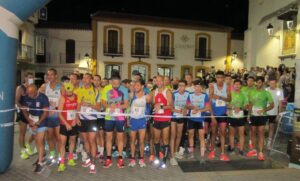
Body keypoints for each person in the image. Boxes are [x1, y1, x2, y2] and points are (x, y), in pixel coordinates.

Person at [102, 75, 129, 169]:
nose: (116, 85)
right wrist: (110, 105)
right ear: (111, 82)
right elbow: (103, 103)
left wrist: (117, 106)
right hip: (109, 117)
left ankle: (120, 158)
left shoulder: (124, 90)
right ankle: (108, 158)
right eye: (114, 83)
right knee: (108, 137)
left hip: (120, 118)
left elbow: (126, 104)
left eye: (118, 83)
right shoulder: (106, 89)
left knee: (120, 138)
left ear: (120, 82)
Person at [76, 73, 101, 173]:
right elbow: (77, 105)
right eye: (84, 78)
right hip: (82, 119)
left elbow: (99, 107)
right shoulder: (79, 91)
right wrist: (76, 117)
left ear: (91, 80)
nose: (85, 79)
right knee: (85, 141)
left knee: (92, 141)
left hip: (92, 119)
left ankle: (93, 163)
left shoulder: (96, 91)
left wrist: (89, 104)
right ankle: (88, 159)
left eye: (87, 78)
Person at [21, 84, 49, 173]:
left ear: (36, 91)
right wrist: (29, 120)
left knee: (39, 141)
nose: (29, 95)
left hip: (41, 121)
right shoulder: (26, 97)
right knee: (36, 140)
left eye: (31, 93)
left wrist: (38, 123)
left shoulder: (43, 98)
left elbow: (45, 113)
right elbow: (24, 110)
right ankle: (42, 156)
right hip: (32, 120)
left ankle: (40, 164)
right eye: (27, 93)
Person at [247, 76, 274, 161]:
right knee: (253, 133)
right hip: (253, 116)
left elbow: (272, 105)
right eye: (257, 82)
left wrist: (263, 110)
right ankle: (254, 150)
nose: (258, 84)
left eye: (259, 82)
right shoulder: (251, 92)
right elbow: (250, 104)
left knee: (261, 133)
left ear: (262, 83)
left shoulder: (266, 93)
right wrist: (248, 114)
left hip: (262, 116)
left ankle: (261, 152)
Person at [39, 68, 62, 163]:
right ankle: (52, 155)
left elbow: (64, 101)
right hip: (48, 115)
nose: (50, 76)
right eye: (48, 75)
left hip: (58, 115)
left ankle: (60, 156)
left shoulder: (61, 86)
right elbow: (38, 98)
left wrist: (56, 108)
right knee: (50, 136)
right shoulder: (44, 86)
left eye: (52, 74)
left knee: (58, 137)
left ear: (56, 75)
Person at [128, 79, 152, 168]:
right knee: (132, 141)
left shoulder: (147, 96)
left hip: (142, 120)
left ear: (142, 86)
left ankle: (141, 159)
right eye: (135, 85)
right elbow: (127, 106)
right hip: (133, 120)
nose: (136, 87)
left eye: (138, 85)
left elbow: (151, 104)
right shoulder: (131, 95)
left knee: (141, 141)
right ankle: (132, 159)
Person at [208, 70, 231, 161]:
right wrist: (212, 115)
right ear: (216, 78)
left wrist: (220, 97)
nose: (220, 79)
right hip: (214, 112)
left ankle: (222, 153)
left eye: (221, 78)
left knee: (223, 133)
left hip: (223, 113)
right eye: (218, 78)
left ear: (224, 78)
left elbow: (229, 99)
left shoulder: (227, 86)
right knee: (213, 133)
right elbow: (209, 102)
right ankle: (212, 151)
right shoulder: (212, 86)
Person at [187, 80, 210, 164]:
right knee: (191, 135)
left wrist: (199, 110)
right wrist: (192, 107)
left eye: (200, 86)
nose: (198, 88)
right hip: (191, 119)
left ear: (202, 88)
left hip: (201, 119)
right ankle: (191, 153)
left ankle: (202, 156)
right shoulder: (190, 95)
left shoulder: (205, 95)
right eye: (196, 86)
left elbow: (208, 108)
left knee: (201, 137)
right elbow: (188, 105)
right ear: (194, 87)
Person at [152, 75, 173, 168]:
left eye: (161, 81)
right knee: (156, 139)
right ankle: (157, 157)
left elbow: (171, 106)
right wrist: (155, 106)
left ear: (164, 82)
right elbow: (153, 103)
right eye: (158, 81)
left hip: (165, 118)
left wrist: (161, 106)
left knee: (165, 140)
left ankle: (164, 159)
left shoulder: (167, 92)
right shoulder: (154, 92)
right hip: (156, 118)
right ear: (155, 82)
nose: (159, 82)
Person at [57, 82, 78, 172]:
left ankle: (70, 158)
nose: (68, 93)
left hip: (73, 123)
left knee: (73, 140)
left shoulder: (76, 96)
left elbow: (76, 109)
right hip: (64, 123)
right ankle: (61, 163)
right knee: (63, 143)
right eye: (67, 91)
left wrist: (75, 120)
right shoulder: (62, 98)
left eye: (70, 91)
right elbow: (59, 113)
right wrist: (66, 123)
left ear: (73, 89)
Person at [15, 72, 35, 159]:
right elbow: (16, 101)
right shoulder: (20, 88)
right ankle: (22, 150)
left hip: (31, 113)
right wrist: (21, 108)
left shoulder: (33, 87)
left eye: (32, 78)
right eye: (29, 77)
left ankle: (28, 145)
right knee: (22, 133)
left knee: (35, 132)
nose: (30, 79)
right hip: (22, 113)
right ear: (25, 78)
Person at [170, 80, 189, 166]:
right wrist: (180, 110)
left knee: (179, 135)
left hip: (182, 117)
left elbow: (188, 105)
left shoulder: (188, 94)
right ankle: (172, 156)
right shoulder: (174, 94)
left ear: (185, 86)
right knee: (173, 135)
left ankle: (175, 151)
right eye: (180, 86)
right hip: (174, 116)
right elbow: (171, 107)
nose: (181, 87)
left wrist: (185, 109)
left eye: (183, 86)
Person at [227, 79, 248, 156]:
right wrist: (232, 107)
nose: (237, 86)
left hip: (241, 116)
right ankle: (232, 148)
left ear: (241, 86)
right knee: (231, 134)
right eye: (235, 84)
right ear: (233, 85)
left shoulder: (244, 94)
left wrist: (240, 108)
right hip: (231, 116)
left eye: (239, 84)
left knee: (241, 134)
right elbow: (227, 104)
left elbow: (246, 105)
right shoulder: (230, 94)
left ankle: (241, 149)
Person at [265, 78, 284, 150]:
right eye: (271, 83)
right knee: (263, 128)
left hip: (274, 113)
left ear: (276, 83)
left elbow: (280, 103)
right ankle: (263, 140)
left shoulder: (279, 91)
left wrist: (279, 113)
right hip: (265, 112)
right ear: (268, 83)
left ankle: (269, 143)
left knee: (271, 128)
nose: (272, 85)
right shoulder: (266, 90)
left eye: (273, 83)